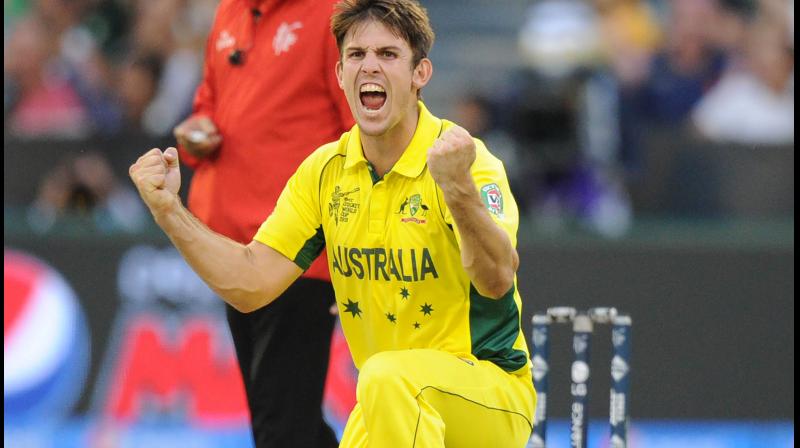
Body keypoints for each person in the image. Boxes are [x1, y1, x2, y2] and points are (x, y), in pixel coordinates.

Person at [130, 0, 536, 446]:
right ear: (340, 74)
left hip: (489, 395)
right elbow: (250, 282)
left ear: (421, 74)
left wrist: (458, 191)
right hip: (389, 402)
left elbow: (497, 279)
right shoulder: (324, 172)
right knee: (378, 386)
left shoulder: (464, 160)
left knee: (383, 378)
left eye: (388, 54)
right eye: (357, 55)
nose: (370, 68)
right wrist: (169, 211)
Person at [170, 0, 353, 446]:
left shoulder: (335, 14)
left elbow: (362, 131)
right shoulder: (231, 10)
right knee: (287, 419)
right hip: (231, 251)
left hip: (297, 253)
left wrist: (353, 250)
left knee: (281, 423)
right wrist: (198, 130)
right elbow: (208, 102)